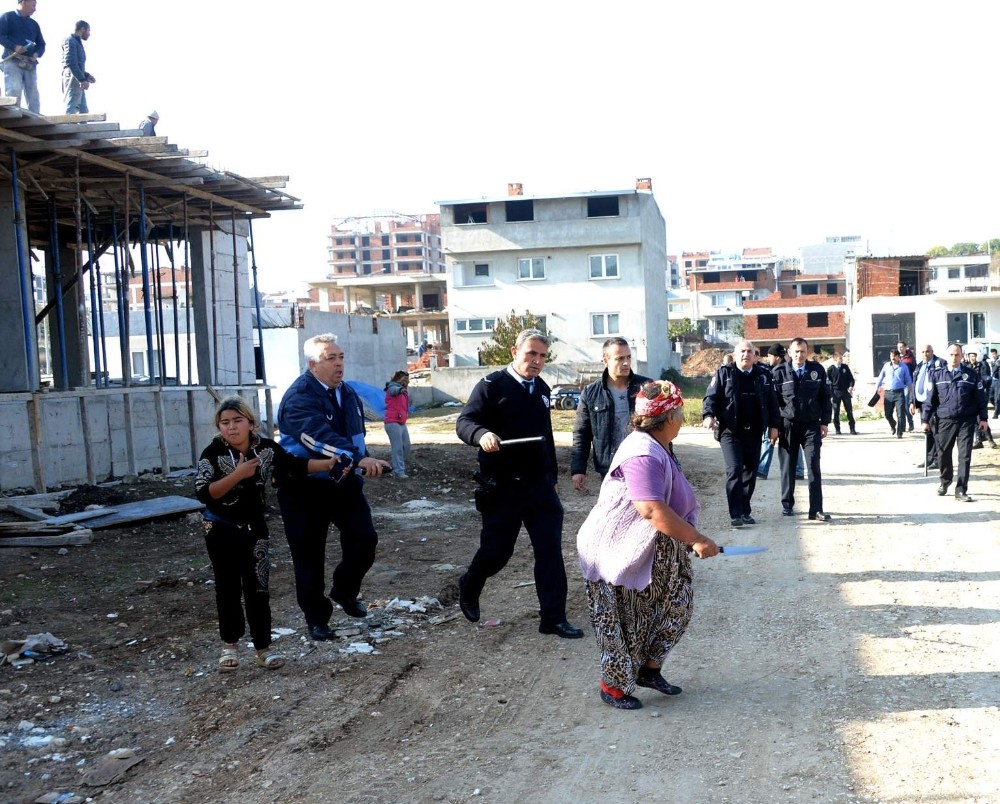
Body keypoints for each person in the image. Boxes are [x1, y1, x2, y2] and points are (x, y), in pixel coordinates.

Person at [577, 380, 720, 710]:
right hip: (619, 549)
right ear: (669, 416)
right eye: (681, 412)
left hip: (657, 545)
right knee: (625, 619)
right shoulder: (642, 452)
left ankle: (648, 670)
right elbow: (651, 509)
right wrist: (696, 539)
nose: (683, 418)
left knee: (677, 605)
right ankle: (612, 686)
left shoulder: (660, 443)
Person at [195, 397, 340, 672]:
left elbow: (293, 465)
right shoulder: (211, 453)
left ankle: (264, 649)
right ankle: (229, 646)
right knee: (227, 588)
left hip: (254, 529)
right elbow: (204, 493)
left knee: (258, 587)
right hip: (219, 529)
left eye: (237, 421)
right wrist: (237, 475)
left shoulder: (266, 449)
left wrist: (327, 464)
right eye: (225, 423)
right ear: (219, 427)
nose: (232, 427)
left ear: (250, 423)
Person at [455, 328, 583, 639]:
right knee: (497, 552)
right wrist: (481, 435)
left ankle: (553, 617)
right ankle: (471, 582)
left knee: (549, 551)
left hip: (539, 488)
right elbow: (465, 422)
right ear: (515, 352)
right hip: (502, 488)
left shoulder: (540, 388)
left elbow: (546, 437)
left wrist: (551, 475)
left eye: (542, 356)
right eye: (531, 354)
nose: (537, 361)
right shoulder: (491, 386)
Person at [275, 333, 392, 640]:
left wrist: (364, 458)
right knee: (309, 556)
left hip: (344, 483)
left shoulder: (348, 393)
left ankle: (345, 590)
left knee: (365, 540)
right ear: (313, 364)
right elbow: (316, 438)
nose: (339, 363)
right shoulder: (298, 397)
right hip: (303, 487)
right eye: (331, 358)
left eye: (341, 357)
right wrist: (358, 458)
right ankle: (317, 619)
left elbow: (355, 437)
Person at [702, 340, 780, 527]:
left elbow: (772, 403)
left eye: (749, 351)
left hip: (754, 432)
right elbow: (711, 397)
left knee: (750, 472)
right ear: (736, 355)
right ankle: (735, 514)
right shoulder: (724, 374)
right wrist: (708, 415)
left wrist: (774, 426)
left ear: (755, 355)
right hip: (730, 431)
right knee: (734, 470)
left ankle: (745, 510)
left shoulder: (763, 376)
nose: (746, 354)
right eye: (742, 351)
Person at [570, 336, 651, 491]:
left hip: (642, 463)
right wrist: (578, 469)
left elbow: (660, 426)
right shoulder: (591, 393)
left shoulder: (646, 387)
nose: (626, 363)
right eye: (620, 358)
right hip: (609, 469)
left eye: (628, 357)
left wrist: (670, 462)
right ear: (605, 361)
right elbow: (582, 433)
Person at [772, 337, 832, 520]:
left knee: (814, 465)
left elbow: (825, 397)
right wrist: (774, 426)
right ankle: (787, 504)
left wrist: (825, 422)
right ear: (789, 352)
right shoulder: (779, 372)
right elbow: (773, 402)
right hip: (788, 425)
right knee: (788, 467)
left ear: (808, 352)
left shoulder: (817, 370)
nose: (799, 355)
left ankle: (816, 509)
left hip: (811, 425)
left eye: (803, 351)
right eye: (796, 351)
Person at [921, 344, 989, 502]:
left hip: (967, 421)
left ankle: (961, 489)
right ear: (947, 356)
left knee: (964, 456)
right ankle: (945, 482)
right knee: (943, 453)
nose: (954, 357)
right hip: (945, 420)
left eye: (957, 354)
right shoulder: (936, 375)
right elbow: (930, 400)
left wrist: (983, 418)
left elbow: (980, 398)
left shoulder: (971, 375)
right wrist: (925, 420)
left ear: (962, 355)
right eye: (951, 354)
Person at [756, 344, 805, 481]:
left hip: (780, 413)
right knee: (793, 442)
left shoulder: (778, 371)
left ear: (777, 357)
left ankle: (762, 469)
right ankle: (799, 470)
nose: (768, 358)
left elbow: (774, 396)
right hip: (789, 414)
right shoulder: (786, 369)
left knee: (769, 439)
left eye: (770, 356)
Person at [0, 0, 45, 114]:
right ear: (24, 2)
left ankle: (36, 120)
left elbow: (41, 44)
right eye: (33, 5)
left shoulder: (34, 24)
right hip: (13, 60)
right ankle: (12, 116)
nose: (35, 8)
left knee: (33, 95)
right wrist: (14, 46)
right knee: (14, 90)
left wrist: (37, 53)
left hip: (29, 63)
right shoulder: (8, 17)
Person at [911, 344, 947, 470]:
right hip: (923, 404)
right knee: (927, 432)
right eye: (923, 352)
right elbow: (915, 383)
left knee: (935, 432)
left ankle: (937, 459)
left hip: (935, 404)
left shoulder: (940, 363)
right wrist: (912, 401)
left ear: (932, 351)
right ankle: (928, 458)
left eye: (927, 352)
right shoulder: (920, 365)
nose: (925, 354)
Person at [875, 350, 913, 438]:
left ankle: (899, 433)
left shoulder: (903, 367)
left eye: (894, 356)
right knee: (887, 414)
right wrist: (877, 386)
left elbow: (908, 378)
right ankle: (893, 425)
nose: (892, 358)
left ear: (898, 356)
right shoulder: (886, 366)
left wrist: (910, 387)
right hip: (888, 393)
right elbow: (881, 376)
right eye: (891, 355)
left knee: (900, 414)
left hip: (899, 393)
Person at [964, 351, 997, 449]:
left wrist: (978, 383)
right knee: (974, 419)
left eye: (973, 356)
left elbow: (987, 378)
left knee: (981, 418)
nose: (972, 358)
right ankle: (978, 440)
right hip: (970, 396)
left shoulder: (982, 366)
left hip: (980, 394)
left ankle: (990, 440)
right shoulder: (967, 367)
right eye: (970, 356)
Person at [60, 20, 94, 114]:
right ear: (82, 29)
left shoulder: (76, 41)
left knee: (83, 109)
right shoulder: (70, 40)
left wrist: (86, 76)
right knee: (73, 106)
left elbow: (76, 63)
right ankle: (68, 128)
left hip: (77, 77)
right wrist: (82, 79)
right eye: (88, 31)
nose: (89, 34)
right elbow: (71, 62)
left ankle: (83, 128)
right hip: (73, 77)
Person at [383, 370, 411, 477]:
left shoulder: (403, 392)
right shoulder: (392, 388)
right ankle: (398, 471)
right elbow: (394, 391)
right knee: (398, 448)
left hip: (401, 422)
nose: (407, 383)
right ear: (399, 379)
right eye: (405, 380)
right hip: (392, 422)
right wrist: (400, 390)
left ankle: (396, 466)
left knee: (406, 447)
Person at [826, 353, 857, 435]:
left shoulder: (845, 367)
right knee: (836, 411)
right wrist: (831, 393)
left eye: (842, 358)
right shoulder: (830, 369)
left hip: (845, 391)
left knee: (849, 410)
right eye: (840, 358)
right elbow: (828, 383)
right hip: (836, 392)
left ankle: (852, 428)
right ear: (835, 359)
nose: (841, 359)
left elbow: (851, 379)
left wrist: (850, 386)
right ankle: (837, 429)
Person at [897, 341, 917, 430]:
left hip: (907, 384)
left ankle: (910, 423)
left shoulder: (910, 358)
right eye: (898, 347)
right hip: (898, 384)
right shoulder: (896, 357)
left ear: (905, 347)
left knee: (905, 404)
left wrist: (913, 383)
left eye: (901, 347)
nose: (900, 349)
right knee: (900, 405)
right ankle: (902, 426)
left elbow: (915, 370)